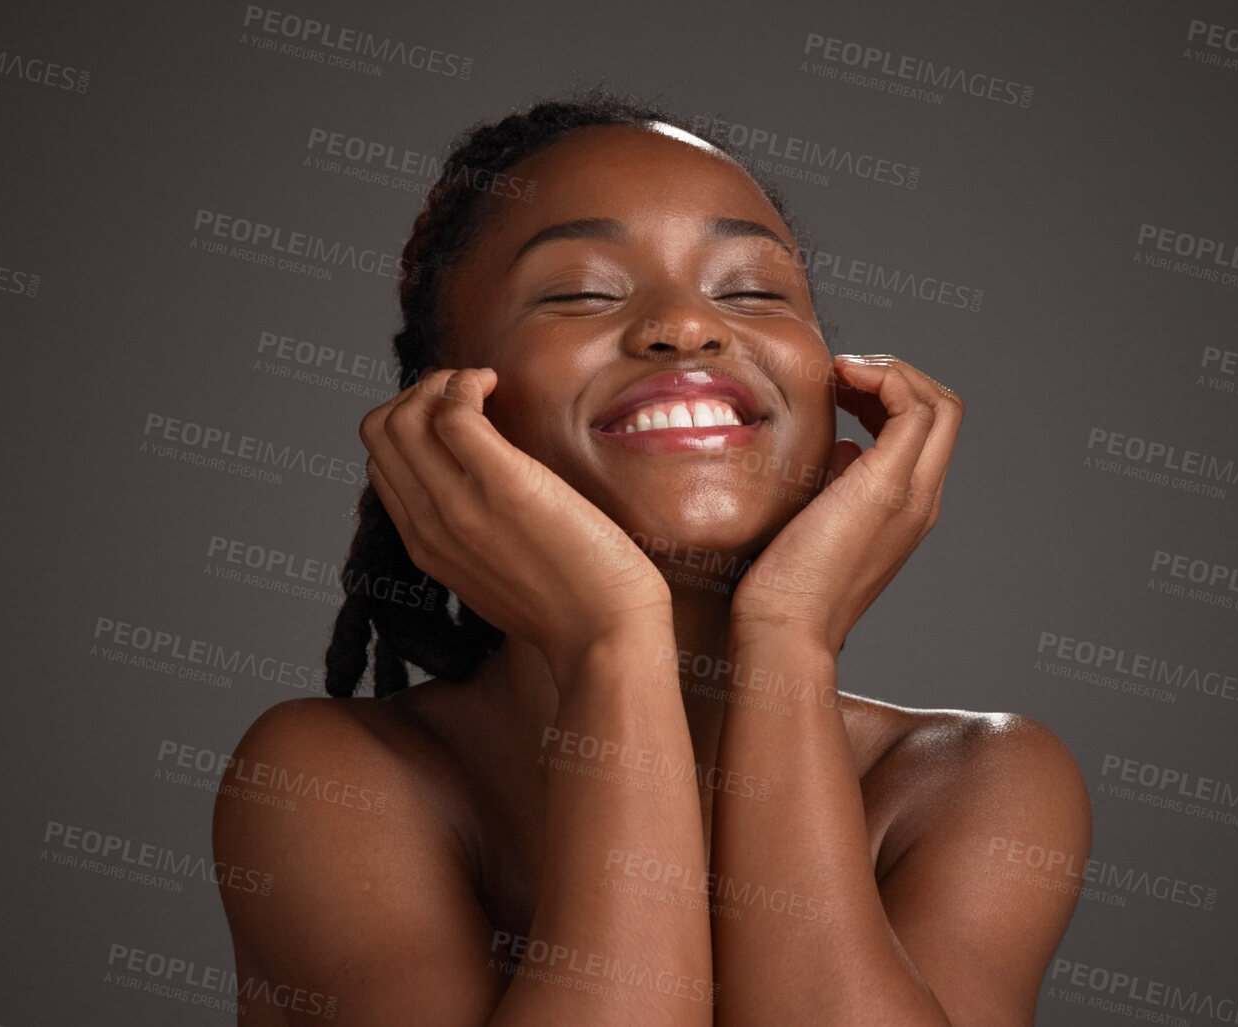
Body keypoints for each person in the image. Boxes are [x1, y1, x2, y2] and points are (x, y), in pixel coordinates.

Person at [212, 91, 1092, 1026]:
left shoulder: (975, 779)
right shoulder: (326, 781)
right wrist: (612, 645)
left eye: (750, 289)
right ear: (447, 418)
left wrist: (789, 639)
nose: (686, 325)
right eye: (582, 291)